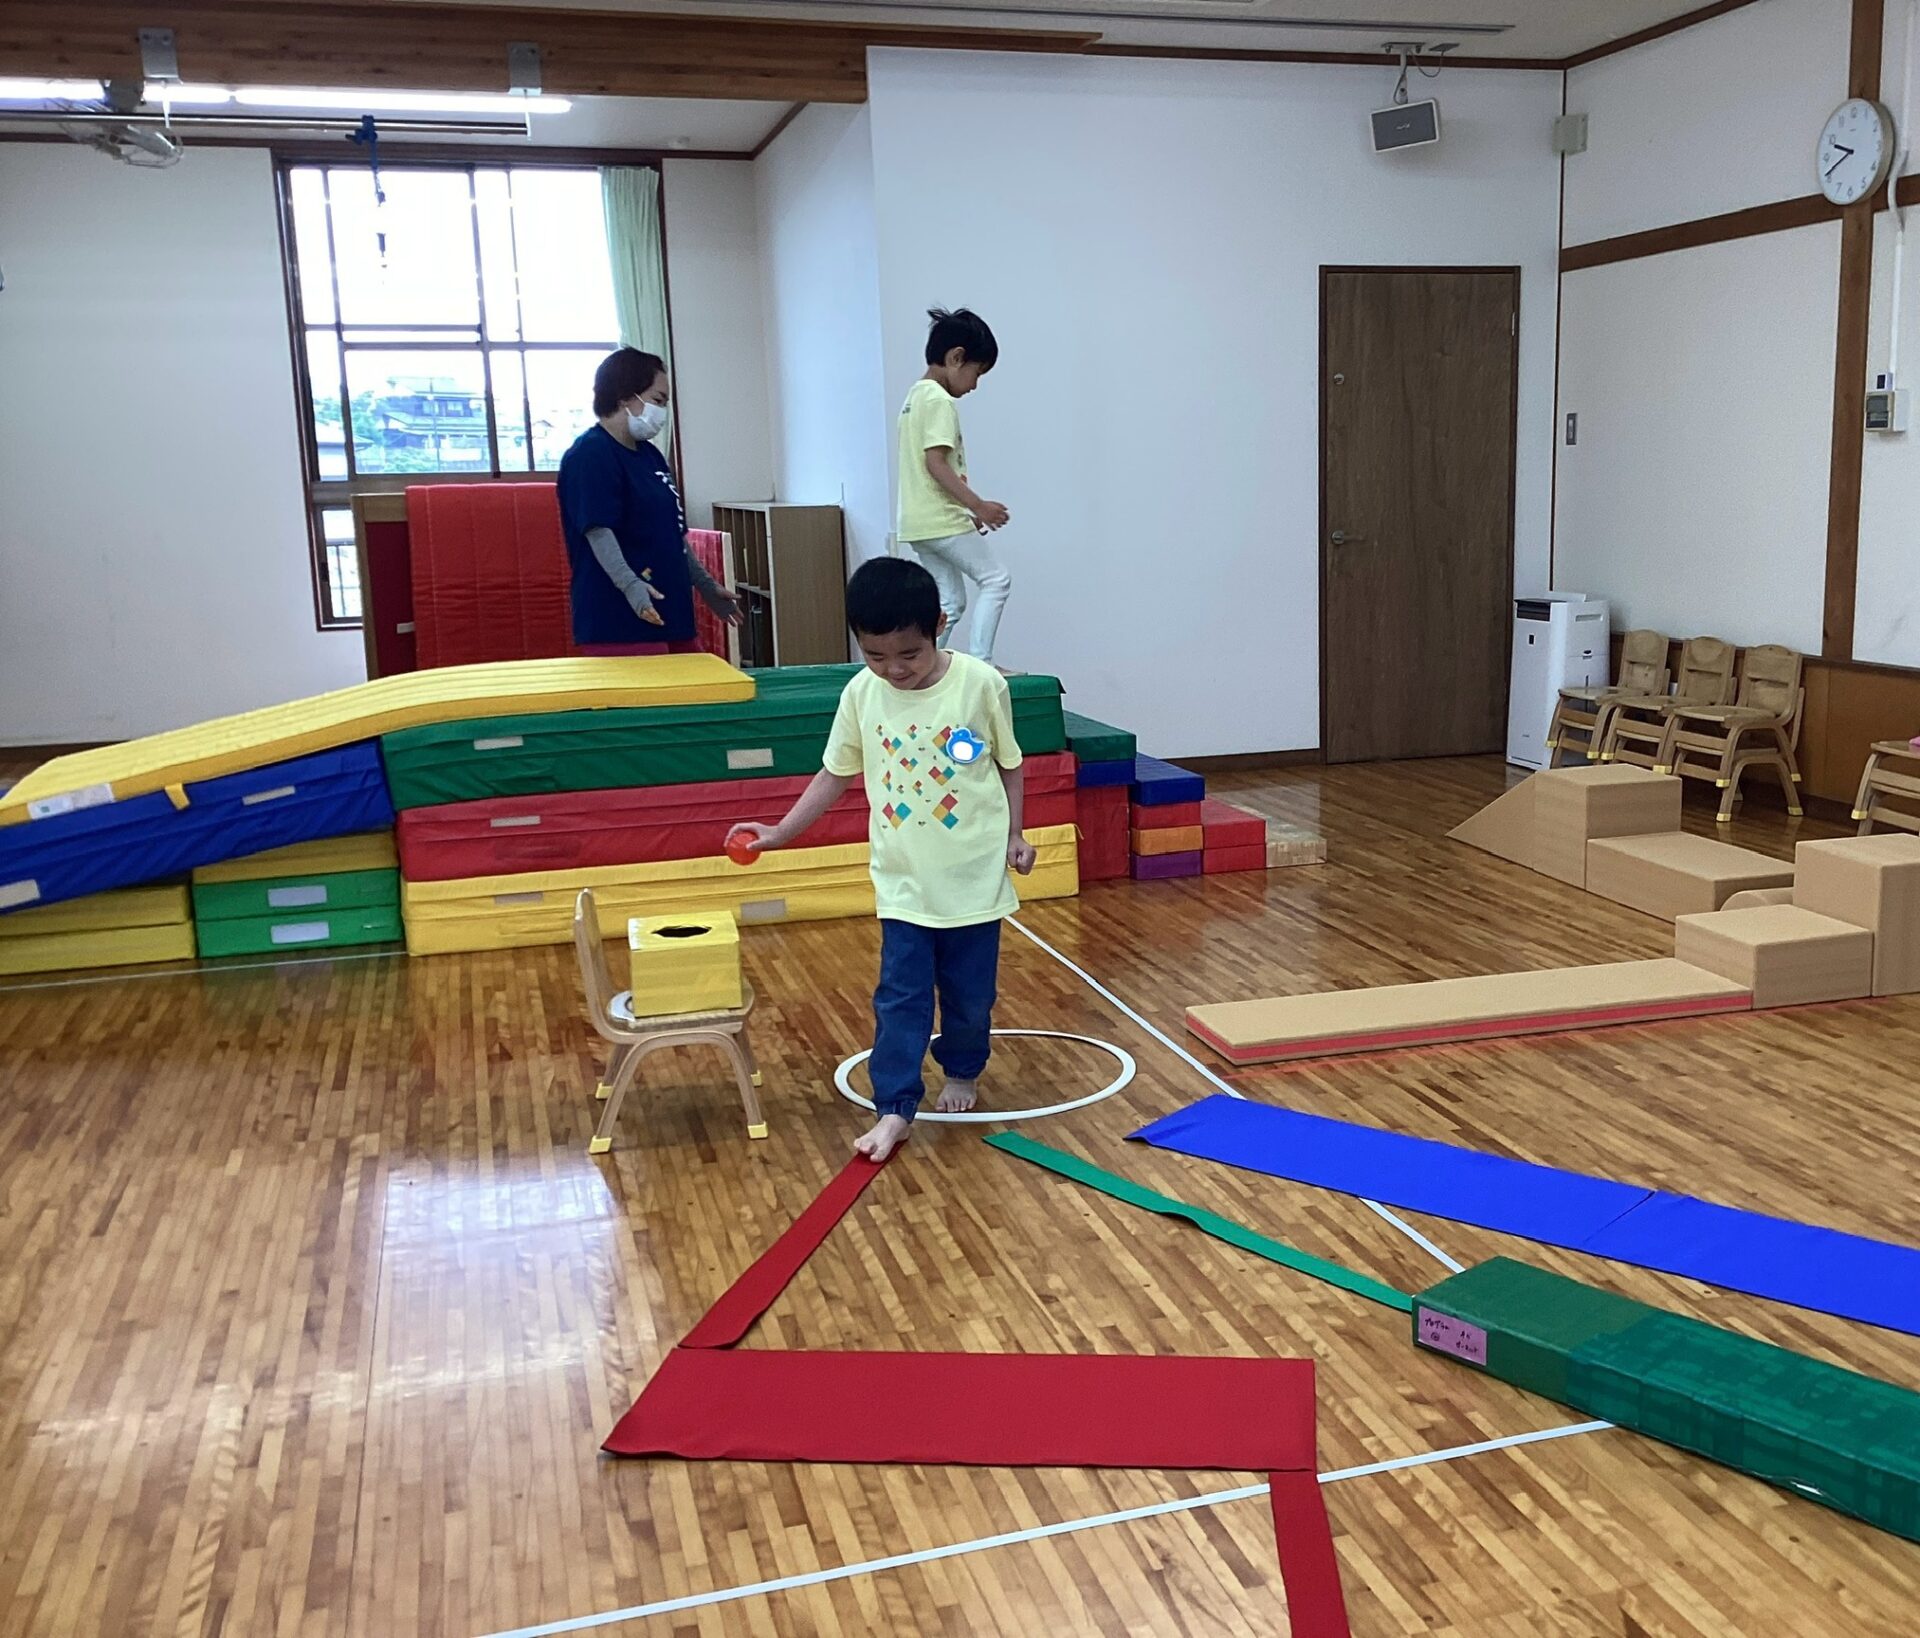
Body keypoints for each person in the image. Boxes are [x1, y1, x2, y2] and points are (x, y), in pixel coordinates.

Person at [725, 557, 1035, 1162]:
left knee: (970, 998)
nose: (894, 669)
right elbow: (833, 774)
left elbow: (1010, 764)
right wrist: (780, 832)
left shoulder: (979, 684)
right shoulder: (862, 694)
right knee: (899, 997)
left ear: (939, 626)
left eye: (909, 655)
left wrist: (1014, 835)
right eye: (875, 655)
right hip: (903, 883)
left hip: (972, 879)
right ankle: (894, 1106)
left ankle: (963, 1069)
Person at [556, 347, 740, 655]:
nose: (662, 412)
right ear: (624, 397)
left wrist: (706, 586)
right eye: (658, 400)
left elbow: (672, 535)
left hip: (672, 611)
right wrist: (631, 586)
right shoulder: (590, 454)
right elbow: (598, 531)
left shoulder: (650, 455)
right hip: (620, 620)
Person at [895, 308, 1014, 667]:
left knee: (950, 601)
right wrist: (978, 506)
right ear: (956, 358)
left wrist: (966, 512)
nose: (975, 385)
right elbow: (936, 464)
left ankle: (920, 664)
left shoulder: (914, 397)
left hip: (917, 523)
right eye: (977, 373)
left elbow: (926, 468)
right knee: (996, 579)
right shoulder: (939, 401)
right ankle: (981, 665)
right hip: (939, 518)